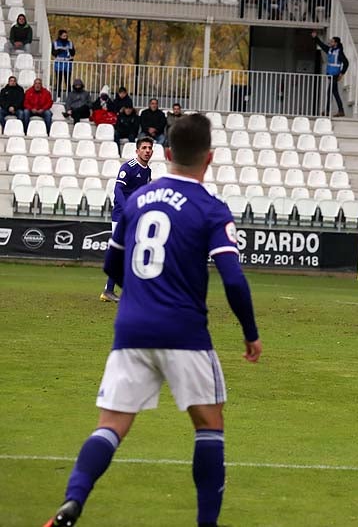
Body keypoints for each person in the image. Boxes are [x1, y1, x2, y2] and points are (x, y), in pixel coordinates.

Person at [43, 113, 261, 527]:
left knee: (111, 426)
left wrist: (140, 297)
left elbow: (113, 263)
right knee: (209, 425)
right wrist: (250, 334)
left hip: (131, 330)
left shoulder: (138, 201)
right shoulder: (211, 208)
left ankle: (72, 501)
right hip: (185, 332)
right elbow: (233, 279)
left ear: (164, 154)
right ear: (209, 158)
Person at [100, 137, 153, 303]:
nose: (147, 150)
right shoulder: (128, 167)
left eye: (149, 148)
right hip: (121, 216)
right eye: (143, 147)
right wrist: (127, 210)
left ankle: (113, 290)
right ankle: (110, 290)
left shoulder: (147, 171)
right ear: (137, 151)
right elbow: (118, 190)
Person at [312, 31, 349, 117]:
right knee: (334, 93)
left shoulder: (339, 52)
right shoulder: (330, 50)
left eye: (332, 41)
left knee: (331, 93)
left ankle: (333, 111)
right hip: (330, 75)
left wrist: (342, 73)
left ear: (336, 43)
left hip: (335, 75)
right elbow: (322, 45)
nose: (330, 42)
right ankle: (338, 110)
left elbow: (346, 63)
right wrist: (315, 37)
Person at [52, 29, 76, 99]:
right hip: (59, 64)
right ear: (60, 36)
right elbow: (53, 53)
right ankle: (58, 97)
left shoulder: (70, 43)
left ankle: (69, 97)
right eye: (63, 36)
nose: (65, 37)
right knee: (58, 81)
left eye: (66, 36)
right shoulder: (55, 43)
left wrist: (70, 50)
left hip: (68, 64)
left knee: (67, 82)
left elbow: (73, 53)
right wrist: (60, 50)